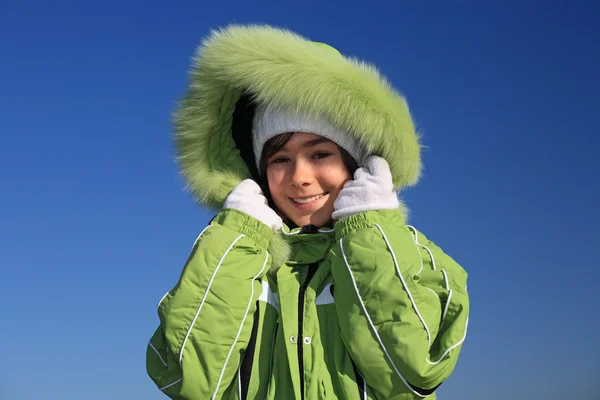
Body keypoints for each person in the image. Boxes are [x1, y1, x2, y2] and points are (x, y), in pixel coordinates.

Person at [146, 24, 469, 400]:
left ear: (357, 163)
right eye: (280, 158)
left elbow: (413, 372)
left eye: (320, 154)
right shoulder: (231, 254)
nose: (299, 177)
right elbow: (188, 381)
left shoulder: (414, 256)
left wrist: (369, 230)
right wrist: (240, 236)